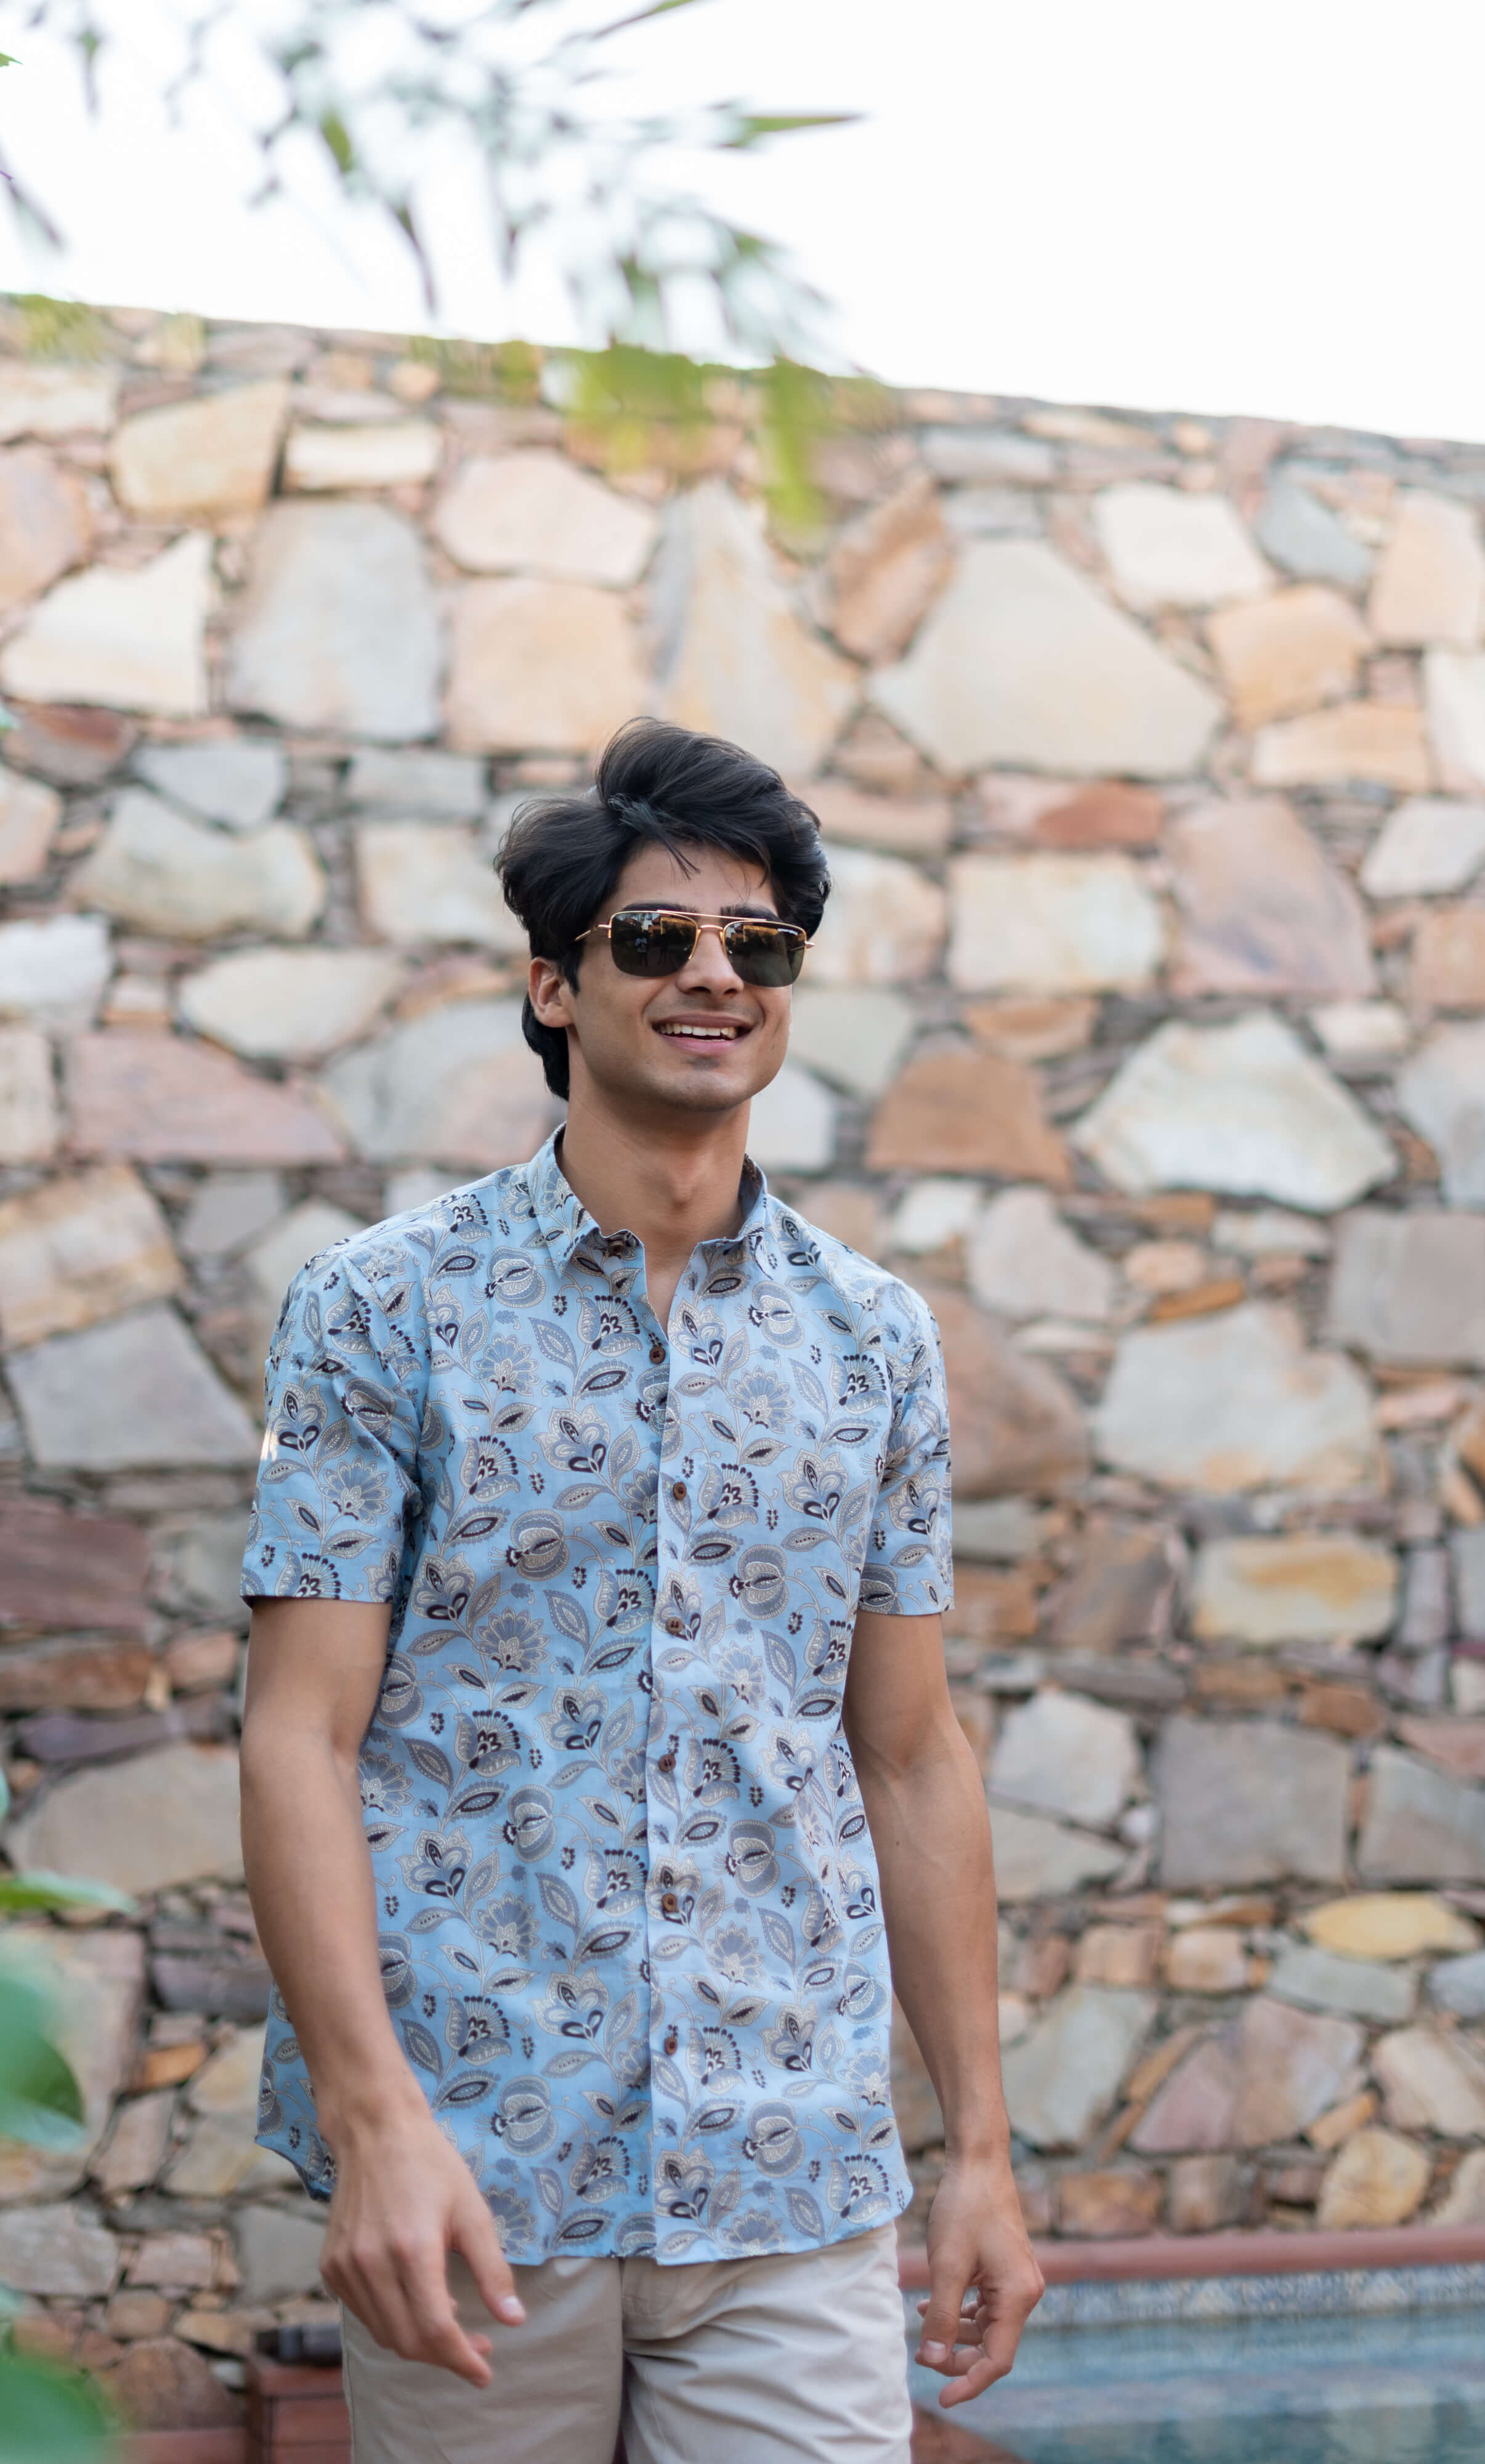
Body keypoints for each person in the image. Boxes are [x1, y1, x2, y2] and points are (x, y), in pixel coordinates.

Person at [238, 717, 1042, 2464]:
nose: (713, 976)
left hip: (789, 2167)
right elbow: (300, 1734)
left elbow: (907, 1756)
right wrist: (376, 2122)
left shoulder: (874, 1342)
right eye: (656, 938)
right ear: (553, 986)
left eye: (758, 946)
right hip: (476, 2163)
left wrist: (976, 2149)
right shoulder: (387, 1310)